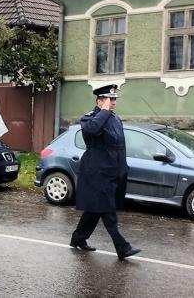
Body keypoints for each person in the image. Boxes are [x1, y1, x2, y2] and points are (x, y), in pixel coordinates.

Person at [69, 84, 141, 260]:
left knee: (95, 209)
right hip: (97, 172)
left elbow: (120, 146)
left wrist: (123, 168)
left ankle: (78, 239)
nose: (113, 102)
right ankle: (122, 247)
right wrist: (104, 111)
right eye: (109, 99)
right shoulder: (89, 119)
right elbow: (93, 130)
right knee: (107, 209)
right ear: (99, 101)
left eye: (114, 99)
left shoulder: (115, 119)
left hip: (113, 170)